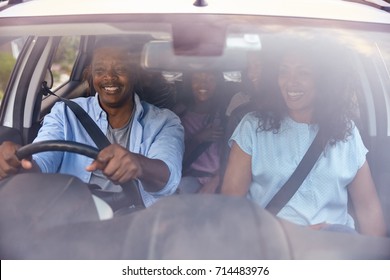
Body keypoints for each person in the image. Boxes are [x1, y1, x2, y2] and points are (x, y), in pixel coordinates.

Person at [221, 37, 387, 236]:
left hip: (338, 252)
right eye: (284, 71)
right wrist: (290, 232)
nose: (291, 81)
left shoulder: (347, 131)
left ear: (324, 79)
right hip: (276, 248)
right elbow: (232, 206)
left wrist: (376, 260)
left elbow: (368, 209)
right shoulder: (252, 126)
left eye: (303, 72)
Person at [0, 36, 184, 208]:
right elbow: (43, 162)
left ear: (134, 74)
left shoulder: (164, 121)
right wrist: (20, 165)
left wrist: (138, 164)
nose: (109, 77)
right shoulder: (65, 113)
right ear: (91, 75)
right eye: (100, 70)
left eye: (120, 69)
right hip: (72, 215)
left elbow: (168, 178)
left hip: (132, 221)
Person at [174, 71, 225, 194]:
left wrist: (215, 182)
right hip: (187, 178)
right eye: (196, 79)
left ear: (218, 83)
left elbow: (232, 157)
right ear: (188, 82)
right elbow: (172, 156)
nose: (203, 84)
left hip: (218, 180)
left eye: (210, 79)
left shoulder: (225, 114)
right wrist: (198, 138)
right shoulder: (179, 114)